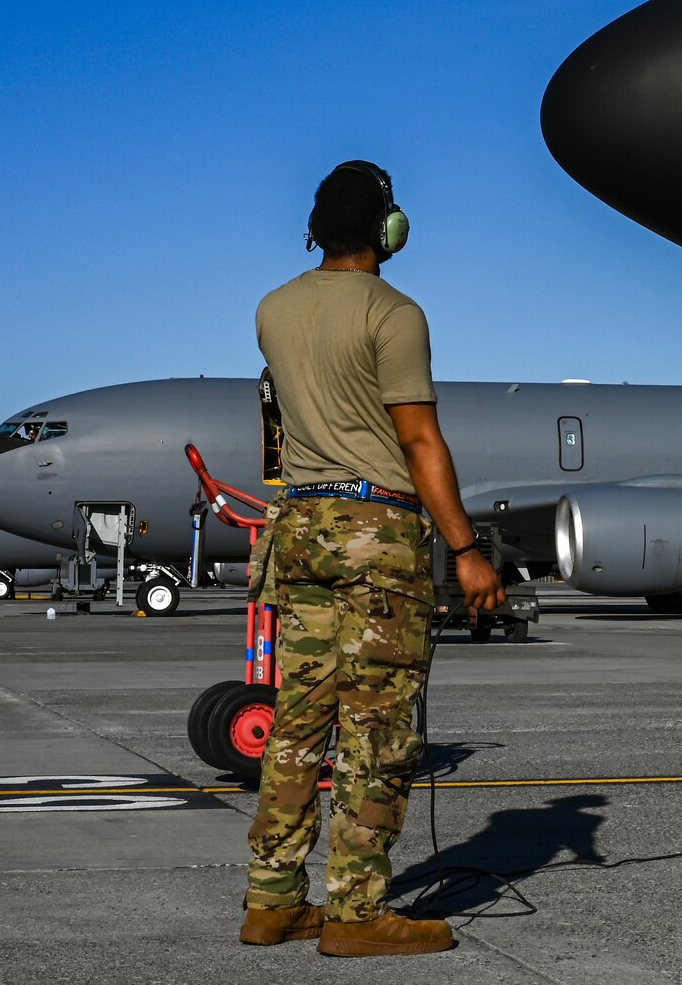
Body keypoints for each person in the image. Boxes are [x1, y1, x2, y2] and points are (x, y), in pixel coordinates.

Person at [239, 160, 505, 956]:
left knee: (298, 719)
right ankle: (357, 912)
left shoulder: (273, 310)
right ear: (390, 229)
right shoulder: (396, 313)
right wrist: (466, 548)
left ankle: (272, 899)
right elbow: (418, 439)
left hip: (302, 526)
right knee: (377, 726)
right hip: (374, 529)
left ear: (315, 228)